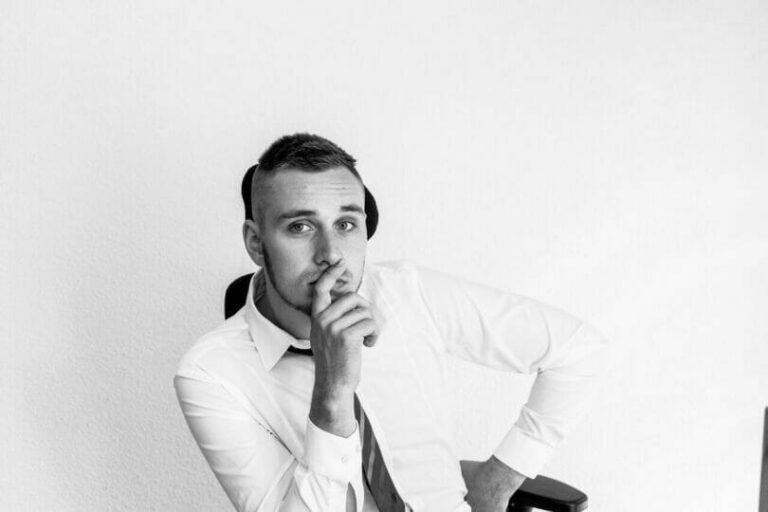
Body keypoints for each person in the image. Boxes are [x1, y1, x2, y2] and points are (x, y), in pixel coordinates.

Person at [174, 133, 608, 512]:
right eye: (301, 227)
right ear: (255, 242)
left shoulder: (407, 292)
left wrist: (499, 479)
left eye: (346, 224)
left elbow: (578, 349)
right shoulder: (210, 373)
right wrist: (333, 392)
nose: (331, 253)